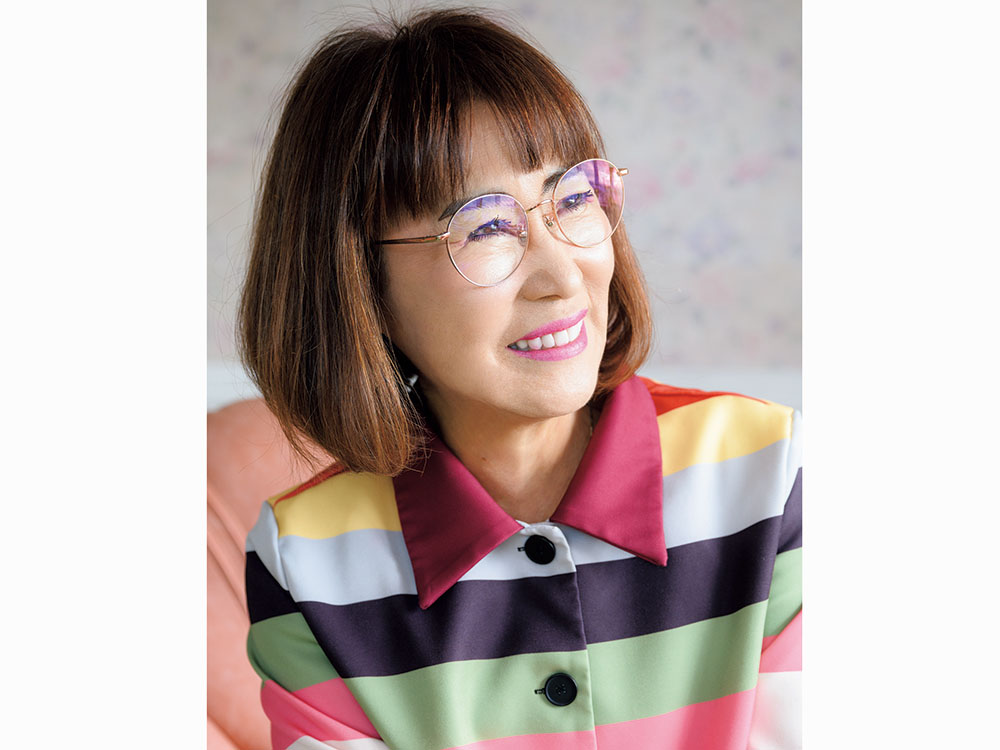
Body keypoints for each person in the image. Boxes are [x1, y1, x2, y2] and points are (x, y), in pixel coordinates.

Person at [238, 8, 801, 750]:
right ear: (357, 284)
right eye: (486, 227)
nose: (562, 275)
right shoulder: (306, 559)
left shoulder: (768, 472)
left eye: (573, 198)